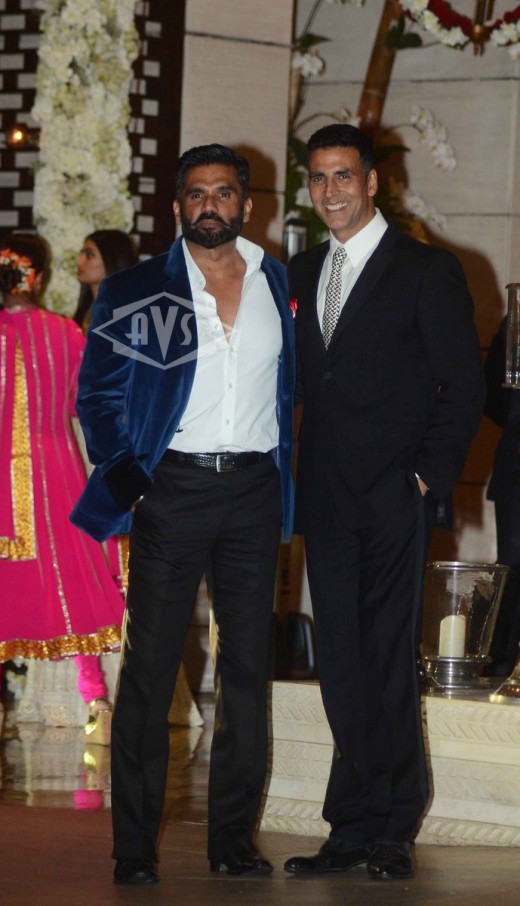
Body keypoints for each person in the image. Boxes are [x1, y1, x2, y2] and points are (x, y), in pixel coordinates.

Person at [72, 143, 296, 885]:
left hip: (255, 492)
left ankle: (232, 841)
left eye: (223, 192)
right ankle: (134, 847)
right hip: (172, 489)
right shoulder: (140, 289)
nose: (209, 205)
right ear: (177, 206)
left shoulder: (277, 282)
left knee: (247, 672)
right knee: (149, 668)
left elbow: (295, 388)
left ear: (247, 204)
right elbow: (97, 398)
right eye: (196, 194)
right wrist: (134, 481)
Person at [283, 124, 485, 881]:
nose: (330, 191)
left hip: (396, 497)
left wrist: (426, 478)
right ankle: (350, 825)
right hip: (325, 498)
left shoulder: (426, 268)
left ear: (372, 182)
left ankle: (393, 826)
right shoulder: (301, 271)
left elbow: (463, 385)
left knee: (386, 660)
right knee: (340, 662)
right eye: (319, 178)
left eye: (344, 176)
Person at [0, 233, 124, 747]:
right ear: (38, 278)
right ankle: (97, 704)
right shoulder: (66, 333)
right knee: (73, 580)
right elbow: (77, 407)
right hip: (57, 474)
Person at [483, 317, 520, 676]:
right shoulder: (517, 320)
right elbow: (492, 390)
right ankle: (503, 669)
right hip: (516, 469)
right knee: (513, 570)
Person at [74, 229, 137, 331]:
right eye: (81, 254)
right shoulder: (87, 312)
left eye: (90, 255)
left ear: (112, 261)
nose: (78, 261)